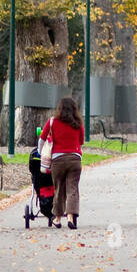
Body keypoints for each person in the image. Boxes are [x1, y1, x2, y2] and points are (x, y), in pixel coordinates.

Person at [46, 97, 84, 229]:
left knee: (59, 189)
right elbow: (81, 141)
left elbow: (42, 138)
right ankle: (70, 217)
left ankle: (57, 218)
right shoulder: (78, 123)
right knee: (72, 189)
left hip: (58, 160)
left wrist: (42, 153)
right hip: (74, 159)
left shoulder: (52, 122)